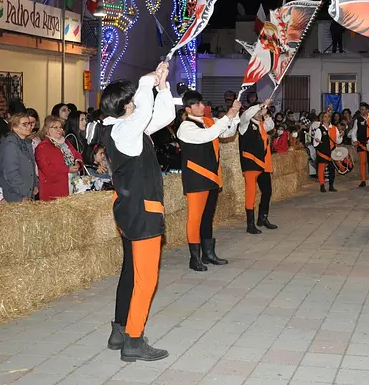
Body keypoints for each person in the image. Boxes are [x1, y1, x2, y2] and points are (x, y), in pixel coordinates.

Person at [99, 62, 174, 362]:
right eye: (134, 99)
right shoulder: (128, 129)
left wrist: (162, 86)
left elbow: (163, 115)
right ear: (128, 104)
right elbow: (143, 111)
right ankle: (133, 339)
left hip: (132, 210)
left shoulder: (125, 128)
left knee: (131, 272)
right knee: (146, 279)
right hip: (142, 212)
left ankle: (119, 329)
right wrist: (146, 82)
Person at [176, 90, 239, 271]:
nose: (202, 106)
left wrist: (233, 115)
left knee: (207, 217)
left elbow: (227, 132)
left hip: (211, 176)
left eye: (202, 103)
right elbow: (208, 136)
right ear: (188, 108)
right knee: (195, 218)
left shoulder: (209, 122)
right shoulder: (185, 127)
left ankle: (208, 253)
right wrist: (228, 116)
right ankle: (194, 257)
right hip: (196, 177)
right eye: (197, 104)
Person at [239, 98, 278, 234]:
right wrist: (261, 105)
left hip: (262, 164)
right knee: (251, 193)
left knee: (267, 191)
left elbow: (271, 125)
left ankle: (263, 217)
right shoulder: (244, 124)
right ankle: (250, 224)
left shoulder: (261, 125)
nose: (259, 112)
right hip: (250, 163)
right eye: (258, 110)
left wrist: (265, 114)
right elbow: (246, 114)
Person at [35, 116, 85, 201]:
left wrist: (77, 162)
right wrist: (67, 169)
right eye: (55, 127)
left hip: (72, 184)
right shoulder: (42, 147)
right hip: (55, 189)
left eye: (61, 127)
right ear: (47, 129)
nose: (59, 130)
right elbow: (46, 169)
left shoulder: (65, 142)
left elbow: (77, 154)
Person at [0, 113, 38, 202]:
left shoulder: (26, 142)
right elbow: (11, 174)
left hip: (27, 191)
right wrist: (24, 192)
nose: (29, 127)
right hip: (16, 194)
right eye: (24, 124)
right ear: (14, 127)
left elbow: (31, 166)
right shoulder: (10, 145)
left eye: (29, 123)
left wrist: (35, 184)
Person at [351, 102, 369, 188]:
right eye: (361, 109)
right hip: (361, 144)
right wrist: (355, 140)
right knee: (362, 162)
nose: (362, 111)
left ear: (368, 110)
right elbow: (353, 132)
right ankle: (363, 180)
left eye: (363, 109)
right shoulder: (358, 120)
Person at [313, 112, 341, 192]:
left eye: (328, 117)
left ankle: (331, 186)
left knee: (332, 169)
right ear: (322, 118)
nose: (326, 118)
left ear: (330, 118)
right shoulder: (319, 129)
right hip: (323, 152)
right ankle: (322, 185)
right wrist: (316, 140)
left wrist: (340, 137)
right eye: (325, 117)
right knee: (321, 169)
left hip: (332, 152)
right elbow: (315, 144)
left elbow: (338, 141)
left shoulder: (334, 128)